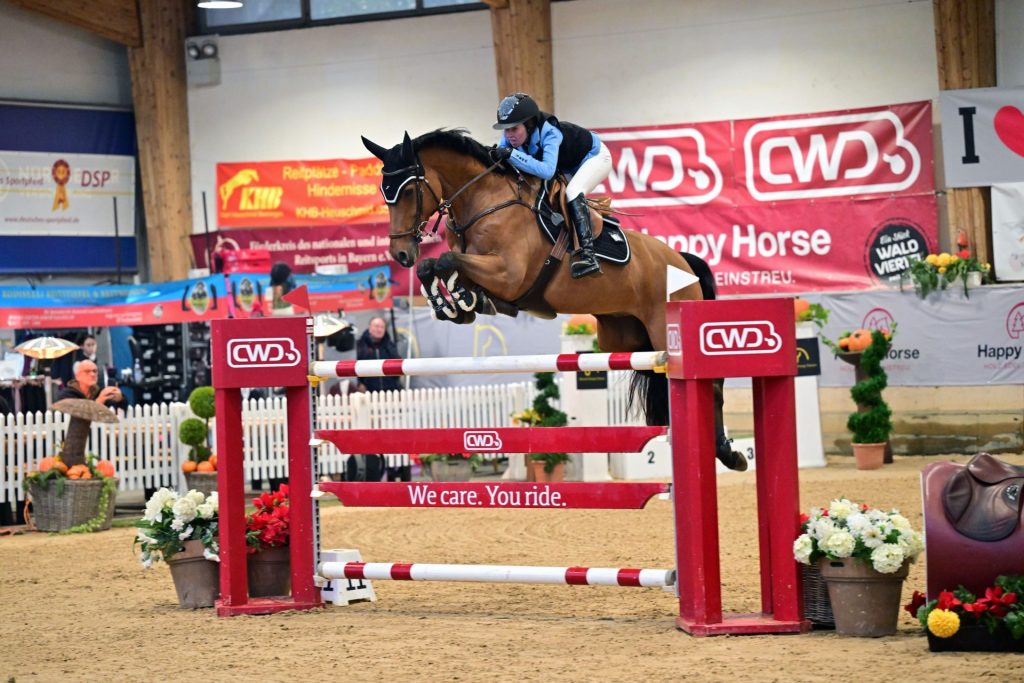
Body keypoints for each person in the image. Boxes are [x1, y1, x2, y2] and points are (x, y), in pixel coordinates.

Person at [493, 92, 612, 279]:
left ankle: (589, 255)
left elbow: (547, 171)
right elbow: (504, 156)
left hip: (595, 158)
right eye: (506, 130)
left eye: (514, 129)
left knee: (573, 191)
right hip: (566, 166)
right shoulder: (510, 136)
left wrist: (511, 154)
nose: (509, 135)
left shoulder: (550, 132)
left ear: (529, 124)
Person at [353, 316, 409, 482]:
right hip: (370, 398)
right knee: (374, 435)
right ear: (369, 327)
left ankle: (394, 469)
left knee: (393, 435)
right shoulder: (360, 346)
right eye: (376, 326)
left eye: (381, 327)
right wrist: (360, 383)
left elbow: (398, 367)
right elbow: (355, 369)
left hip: (391, 397)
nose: (378, 329)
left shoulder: (390, 345)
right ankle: (375, 469)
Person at [56, 359, 125, 409]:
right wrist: (99, 402)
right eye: (87, 371)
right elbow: (78, 414)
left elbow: (122, 409)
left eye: (95, 371)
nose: (92, 374)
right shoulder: (66, 395)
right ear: (77, 376)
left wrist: (120, 399)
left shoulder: (99, 392)